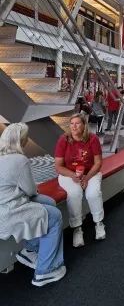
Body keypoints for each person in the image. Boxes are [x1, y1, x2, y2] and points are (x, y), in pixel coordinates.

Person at [0, 123, 66, 286]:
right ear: (19, 141)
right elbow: (30, 190)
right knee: (55, 216)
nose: (28, 139)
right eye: (25, 137)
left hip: (7, 203)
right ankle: (46, 270)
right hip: (9, 211)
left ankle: (30, 250)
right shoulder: (19, 160)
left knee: (49, 202)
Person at [54, 114, 105, 248]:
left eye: (77, 123)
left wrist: (86, 178)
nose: (74, 126)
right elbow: (58, 166)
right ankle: (77, 229)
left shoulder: (92, 139)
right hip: (68, 174)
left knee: (93, 193)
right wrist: (72, 175)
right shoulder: (63, 140)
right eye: (72, 124)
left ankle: (99, 223)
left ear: (84, 125)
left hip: (90, 173)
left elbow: (98, 162)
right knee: (75, 193)